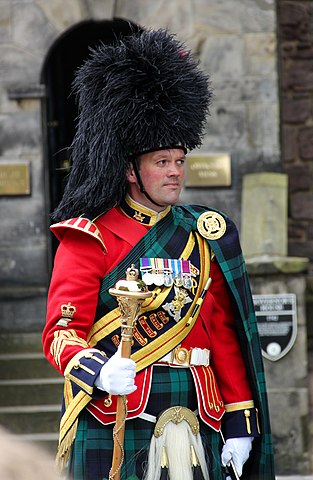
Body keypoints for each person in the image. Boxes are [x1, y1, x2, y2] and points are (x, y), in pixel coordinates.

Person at [42, 28, 275, 480]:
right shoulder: (89, 236)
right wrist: (97, 370)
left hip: (199, 413)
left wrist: (240, 421)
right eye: (161, 162)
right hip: (121, 411)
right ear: (131, 170)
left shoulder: (202, 234)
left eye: (180, 160)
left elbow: (223, 334)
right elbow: (59, 332)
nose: (175, 172)